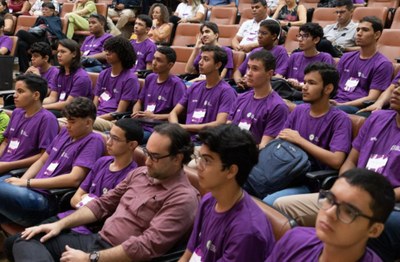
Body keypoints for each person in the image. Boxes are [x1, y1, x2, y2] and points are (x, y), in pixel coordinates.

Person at [8, 123, 199, 262]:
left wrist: (90, 258)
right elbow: (102, 204)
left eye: (155, 157)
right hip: (99, 240)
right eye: (147, 153)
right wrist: (59, 224)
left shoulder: (183, 198)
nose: (147, 161)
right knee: (22, 240)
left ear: (177, 158)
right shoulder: (140, 173)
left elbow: (146, 246)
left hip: (119, 256)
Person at [274, 85, 400, 260]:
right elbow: (350, 161)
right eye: (398, 85)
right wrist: (343, 186)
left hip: (387, 204)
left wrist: (375, 198)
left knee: (372, 221)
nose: (396, 91)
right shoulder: (377, 118)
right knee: (280, 205)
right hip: (347, 194)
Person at [0, 97, 105, 227]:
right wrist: (22, 182)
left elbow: (74, 179)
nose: (67, 125)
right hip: (30, 190)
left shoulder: (93, 141)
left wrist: (27, 183)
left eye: (72, 122)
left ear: (88, 122)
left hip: (45, 200)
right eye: (67, 121)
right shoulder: (66, 132)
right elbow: (42, 160)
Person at [179, 124, 275, 262]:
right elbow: (188, 254)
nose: (199, 166)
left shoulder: (247, 231)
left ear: (231, 171)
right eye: (200, 158)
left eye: (207, 160)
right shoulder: (208, 200)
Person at [263, 62, 352, 205]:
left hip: (310, 182)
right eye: (304, 82)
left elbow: (337, 161)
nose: (304, 87)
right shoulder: (299, 110)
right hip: (283, 172)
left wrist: (300, 140)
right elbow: (281, 139)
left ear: (328, 88)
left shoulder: (340, 119)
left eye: (311, 83)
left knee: (269, 202)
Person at [267, 168, 394, 262]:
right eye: (330, 199)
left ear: (374, 230)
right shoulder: (294, 240)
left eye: (349, 211)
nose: (329, 213)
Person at [55, 118, 143, 235]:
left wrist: (86, 198)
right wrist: (92, 202)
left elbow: (108, 215)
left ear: (132, 145)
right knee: (30, 235)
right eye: (109, 136)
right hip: (70, 218)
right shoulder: (102, 162)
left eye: (115, 139)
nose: (108, 142)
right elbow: (74, 199)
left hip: (90, 231)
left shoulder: (132, 176)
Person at [168, 45, 236, 140]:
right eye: (200, 58)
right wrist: (176, 127)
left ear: (218, 65)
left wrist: (184, 127)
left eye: (206, 59)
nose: (200, 63)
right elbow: (173, 113)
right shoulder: (194, 87)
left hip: (206, 141)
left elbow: (220, 124)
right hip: (184, 137)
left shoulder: (227, 92)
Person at [331, 16, 393, 115]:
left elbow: (372, 97)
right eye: (358, 29)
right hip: (335, 101)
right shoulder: (346, 57)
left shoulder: (383, 64)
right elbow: (332, 85)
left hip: (355, 107)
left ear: (377, 34)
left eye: (365, 30)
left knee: (329, 112)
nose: (359, 33)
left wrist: (340, 105)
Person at [0, 74, 58, 176]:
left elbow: (44, 156)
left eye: (20, 91)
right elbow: (5, 142)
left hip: (17, 171)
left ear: (36, 95)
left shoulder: (47, 119)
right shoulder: (17, 112)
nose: (14, 95)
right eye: (15, 91)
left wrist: (7, 165)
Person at [229, 50, 289, 149]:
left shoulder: (277, 107)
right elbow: (227, 129)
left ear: (269, 74)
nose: (248, 73)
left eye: (255, 69)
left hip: (251, 159)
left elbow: (264, 147)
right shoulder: (241, 98)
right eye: (248, 68)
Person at [132, 46, 186, 143]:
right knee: (117, 130)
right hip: (141, 122)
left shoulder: (177, 84)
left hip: (159, 128)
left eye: (159, 60)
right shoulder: (150, 78)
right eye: (153, 58)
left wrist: (153, 116)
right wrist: (135, 113)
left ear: (170, 65)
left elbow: (179, 115)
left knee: (128, 138)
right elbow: (139, 101)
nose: (154, 63)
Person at [92, 36, 139, 132]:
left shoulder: (130, 79)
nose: (107, 53)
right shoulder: (103, 74)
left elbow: (119, 112)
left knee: (78, 123)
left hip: (112, 121)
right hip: (95, 117)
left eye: (112, 51)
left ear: (122, 54)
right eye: (107, 50)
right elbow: (95, 101)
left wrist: (91, 119)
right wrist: (90, 115)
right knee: (65, 121)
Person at [234, 19, 288, 89]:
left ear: (274, 36)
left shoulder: (281, 51)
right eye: (259, 33)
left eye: (264, 33)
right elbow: (238, 71)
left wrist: (251, 81)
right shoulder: (255, 51)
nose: (259, 36)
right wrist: (239, 81)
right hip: (245, 87)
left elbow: (278, 77)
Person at [43, 39, 92, 117]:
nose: (58, 55)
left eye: (63, 52)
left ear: (74, 54)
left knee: (42, 114)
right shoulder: (58, 73)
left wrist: (41, 107)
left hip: (74, 113)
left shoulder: (81, 77)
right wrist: (35, 103)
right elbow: (52, 98)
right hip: (59, 108)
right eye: (58, 51)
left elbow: (69, 104)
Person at [282, 22, 334, 90]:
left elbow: (325, 84)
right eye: (299, 35)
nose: (300, 39)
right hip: (290, 93)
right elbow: (280, 77)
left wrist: (301, 85)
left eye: (305, 36)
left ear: (316, 40)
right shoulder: (294, 56)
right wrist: (288, 81)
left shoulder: (325, 58)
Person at [16, 2, 65, 73]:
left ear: (52, 11)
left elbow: (56, 31)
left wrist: (46, 26)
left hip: (45, 41)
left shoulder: (56, 19)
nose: (44, 11)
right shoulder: (41, 18)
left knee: (21, 32)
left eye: (46, 10)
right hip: (36, 38)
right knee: (21, 44)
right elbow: (33, 29)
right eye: (43, 10)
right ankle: (24, 71)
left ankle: (10, 49)